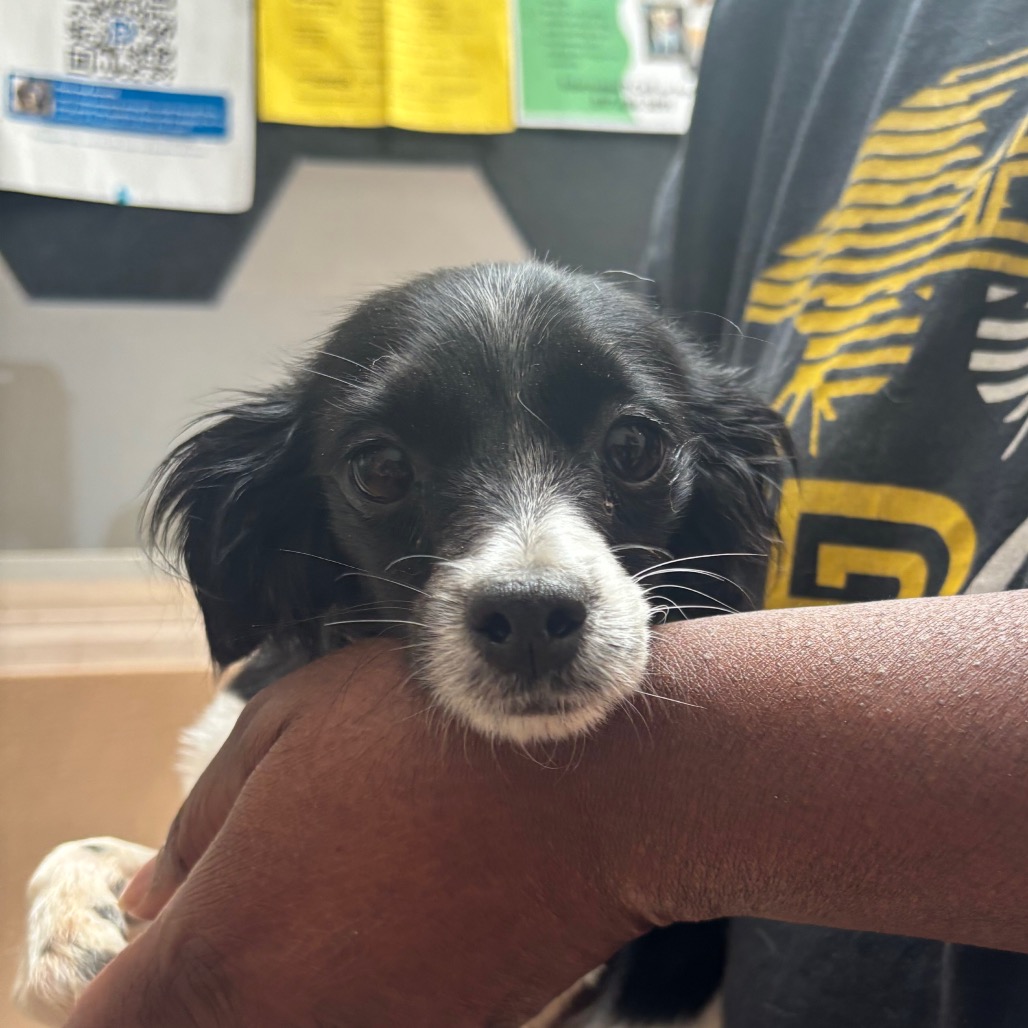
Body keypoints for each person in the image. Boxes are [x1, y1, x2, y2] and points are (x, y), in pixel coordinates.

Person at [68, 0, 1028, 1023]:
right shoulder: (775, 32)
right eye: (383, 470)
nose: (529, 576)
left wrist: (587, 833)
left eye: (631, 451)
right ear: (282, 518)